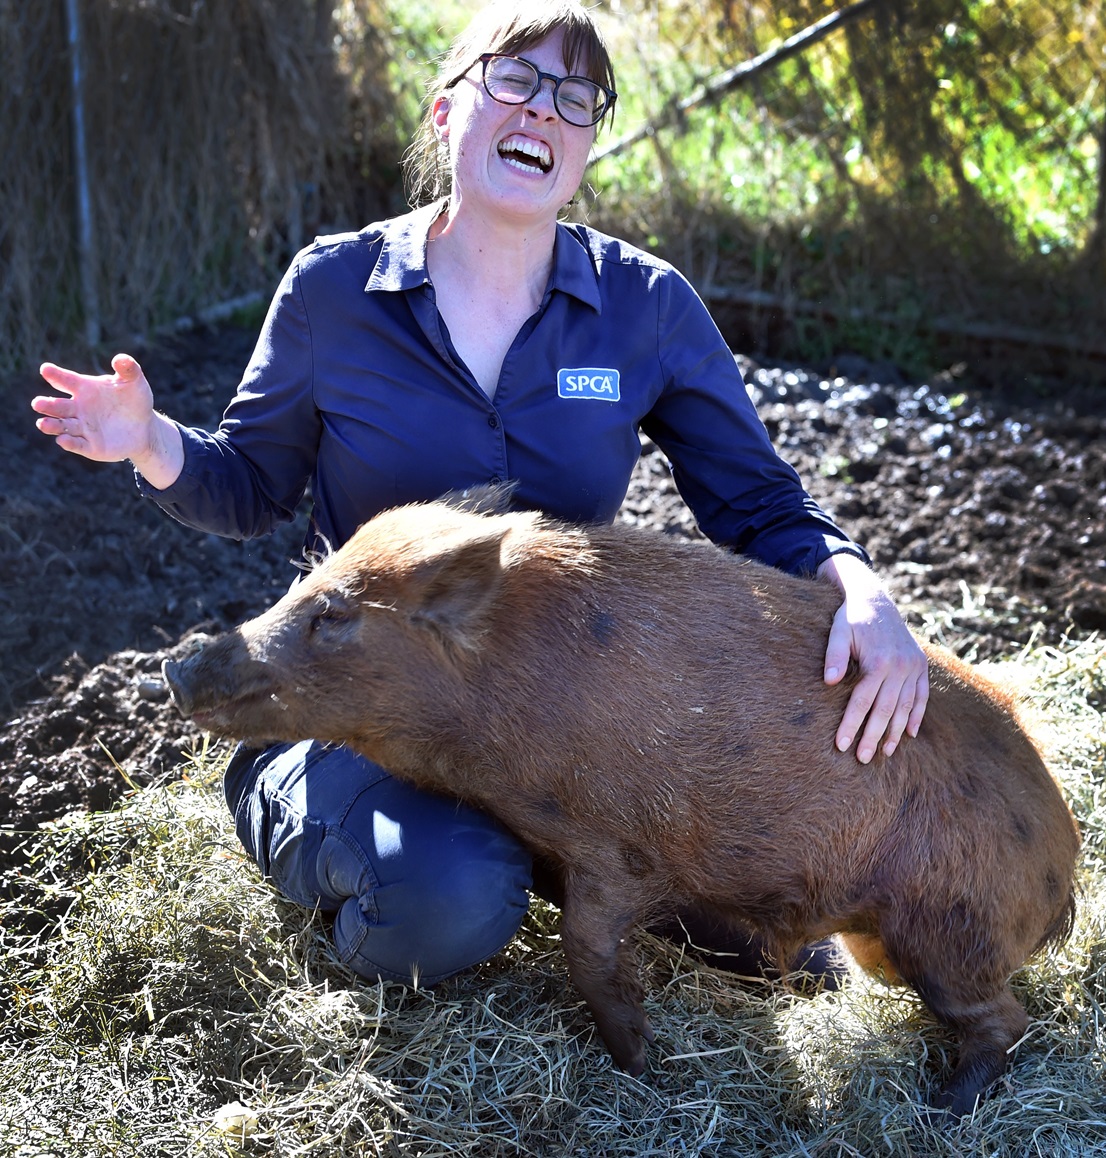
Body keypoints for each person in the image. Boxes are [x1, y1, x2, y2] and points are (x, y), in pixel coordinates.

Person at [33, 0, 928, 988]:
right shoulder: (335, 290)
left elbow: (756, 503)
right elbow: (249, 485)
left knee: (770, 948)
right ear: (444, 111)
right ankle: (336, 845)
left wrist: (857, 586)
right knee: (453, 895)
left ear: (588, 143)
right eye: (514, 80)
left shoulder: (645, 308)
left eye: (575, 97)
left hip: (560, 721)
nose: (543, 111)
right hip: (365, 707)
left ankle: (547, 851)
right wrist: (149, 441)